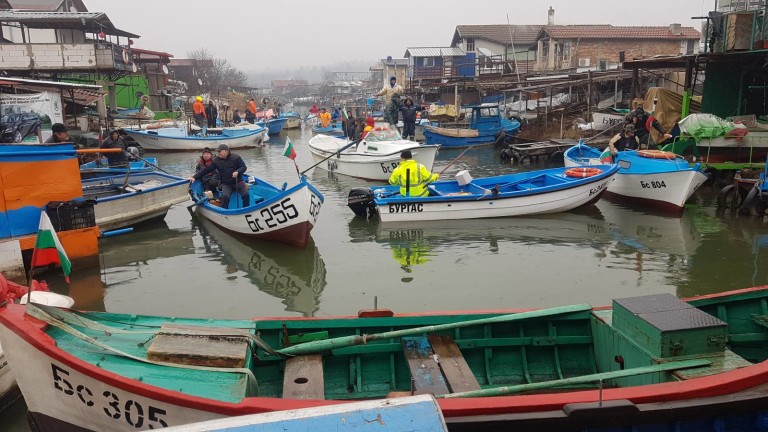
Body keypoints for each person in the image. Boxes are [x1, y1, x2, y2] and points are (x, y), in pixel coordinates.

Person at [189, 144, 249, 209]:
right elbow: (206, 170)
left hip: (238, 181)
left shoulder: (236, 157)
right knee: (225, 197)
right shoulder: (216, 160)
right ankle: (224, 211)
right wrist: (194, 177)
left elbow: (243, 167)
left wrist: (238, 171)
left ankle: (246, 209)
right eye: (218, 151)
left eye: (220, 151)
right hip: (226, 184)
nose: (218, 153)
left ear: (226, 151)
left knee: (246, 195)